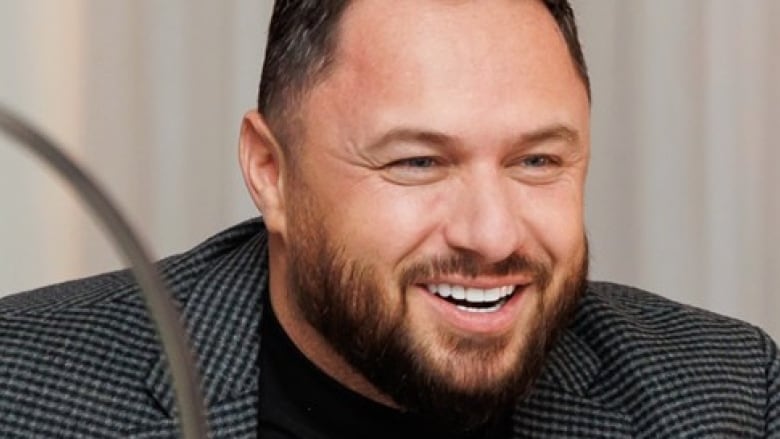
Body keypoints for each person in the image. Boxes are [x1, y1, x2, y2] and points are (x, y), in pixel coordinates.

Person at [1, 0, 778, 437]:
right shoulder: (24, 389)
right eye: (417, 162)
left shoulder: (728, 397)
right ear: (270, 172)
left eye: (537, 161)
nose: (492, 233)